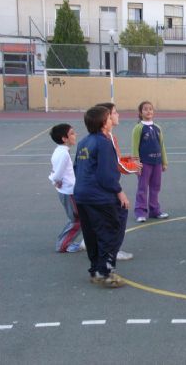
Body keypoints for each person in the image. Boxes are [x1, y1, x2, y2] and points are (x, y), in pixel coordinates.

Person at [74, 106, 129, 288]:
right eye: (108, 116)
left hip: (82, 195)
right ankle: (106, 272)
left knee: (91, 234)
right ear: (104, 123)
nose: (112, 118)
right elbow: (107, 175)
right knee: (109, 232)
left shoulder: (83, 142)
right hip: (99, 197)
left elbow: (77, 168)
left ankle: (95, 270)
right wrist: (118, 190)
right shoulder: (104, 143)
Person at [96, 102, 141, 261]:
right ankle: (113, 250)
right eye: (114, 113)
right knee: (119, 214)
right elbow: (116, 166)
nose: (118, 115)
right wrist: (134, 167)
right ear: (106, 118)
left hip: (98, 187)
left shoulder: (104, 138)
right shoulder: (107, 140)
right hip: (105, 187)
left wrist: (127, 159)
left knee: (102, 218)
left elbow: (115, 161)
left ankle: (94, 244)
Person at [48, 123, 84, 253]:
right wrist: (54, 180)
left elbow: (57, 172)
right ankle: (63, 244)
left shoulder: (60, 151)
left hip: (68, 190)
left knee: (78, 219)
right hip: (69, 192)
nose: (75, 135)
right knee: (77, 220)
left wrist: (56, 180)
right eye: (72, 133)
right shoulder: (63, 154)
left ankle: (67, 242)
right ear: (64, 138)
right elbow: (57, 173)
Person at [132, 101, 169, 222]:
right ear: (140, 112)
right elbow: (135, 147)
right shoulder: (138, 128)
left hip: (157, 162)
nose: (148, 111)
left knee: (155, 187)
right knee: (142, 188)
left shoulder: (158, 128)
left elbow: (161, 145)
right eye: (145, 109)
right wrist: (136, 164)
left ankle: (155, 210)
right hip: (144, 163)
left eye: (150, 109)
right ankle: (140, 212)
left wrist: (164, 161)